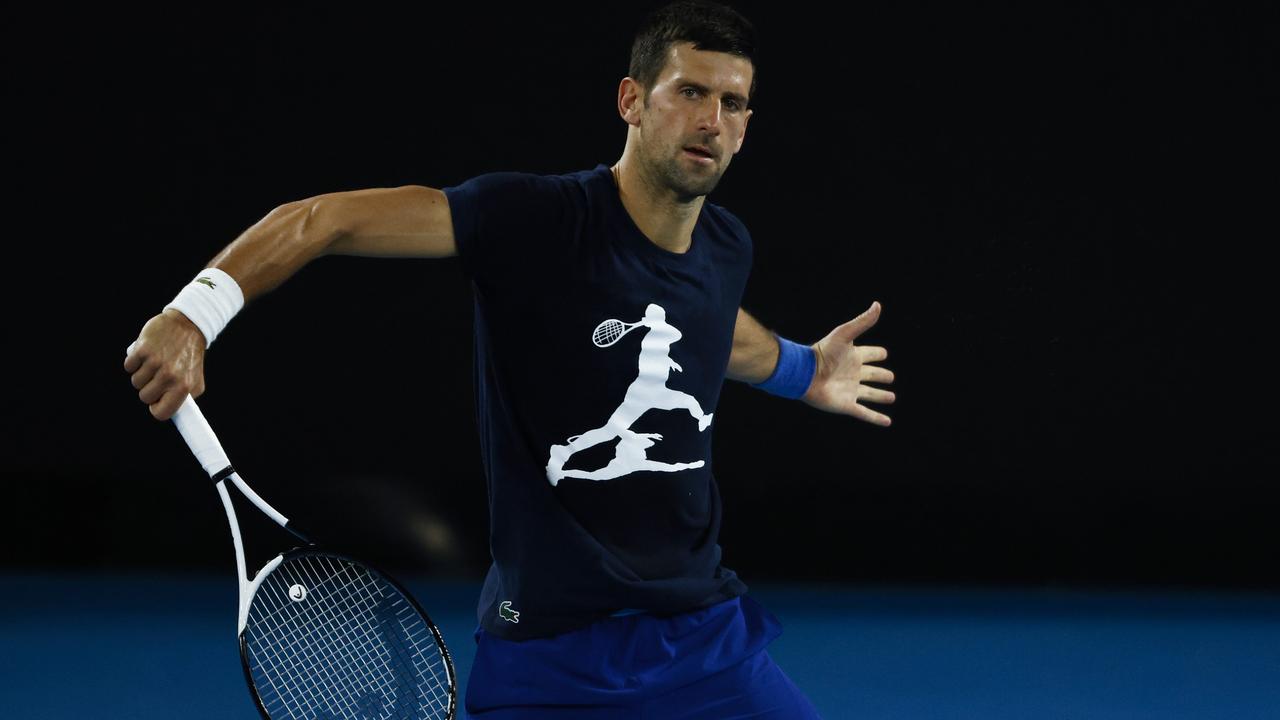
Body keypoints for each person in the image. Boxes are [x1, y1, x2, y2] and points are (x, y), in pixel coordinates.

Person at [124, 1, 895, 716]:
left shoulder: (726, 244)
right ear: (631, 101)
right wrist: (193, 314)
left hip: (704, 638)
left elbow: (710, 327)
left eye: (731, 104)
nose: (711, 121)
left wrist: (803, 370)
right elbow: (320, 220)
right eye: (690, 93)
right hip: (547, 657)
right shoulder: (531, 220)